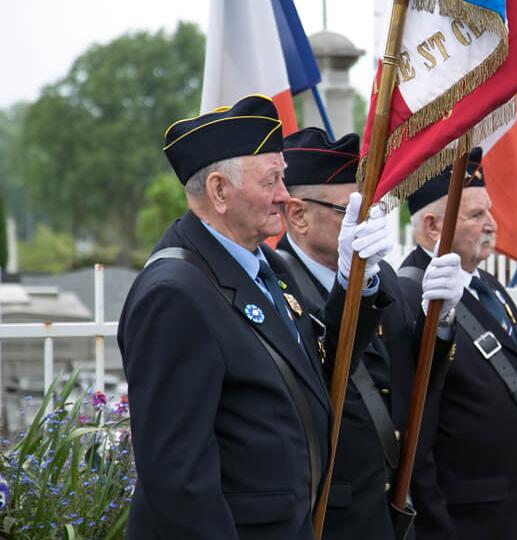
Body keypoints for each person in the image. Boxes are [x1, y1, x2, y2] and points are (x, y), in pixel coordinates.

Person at [118, 95, 391, 540]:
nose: (285, 196)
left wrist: (354, 282)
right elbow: (178, 482)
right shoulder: (174, 294)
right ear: (220, 191)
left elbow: (318, 371)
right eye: (272, 181)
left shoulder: (267, 267)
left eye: (283, 178)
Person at [276, 127, 464, 538]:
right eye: (350, 212)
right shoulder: (275, 288)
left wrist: (443, 320)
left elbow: (414, 381)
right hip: (331, 513)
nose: (364, 224)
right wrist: (350, 289)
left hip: (390, 503)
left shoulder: (386, 280)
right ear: (298, 214)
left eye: (372, 210)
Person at [399, 149, 517, 540]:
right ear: (433, 226)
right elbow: (416, 427)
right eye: (475, 215)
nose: (492, 224)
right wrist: (434, 528)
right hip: (465, 518)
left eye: (489, 210)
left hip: (511, 506)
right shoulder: (411, 294)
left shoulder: (486, 285)